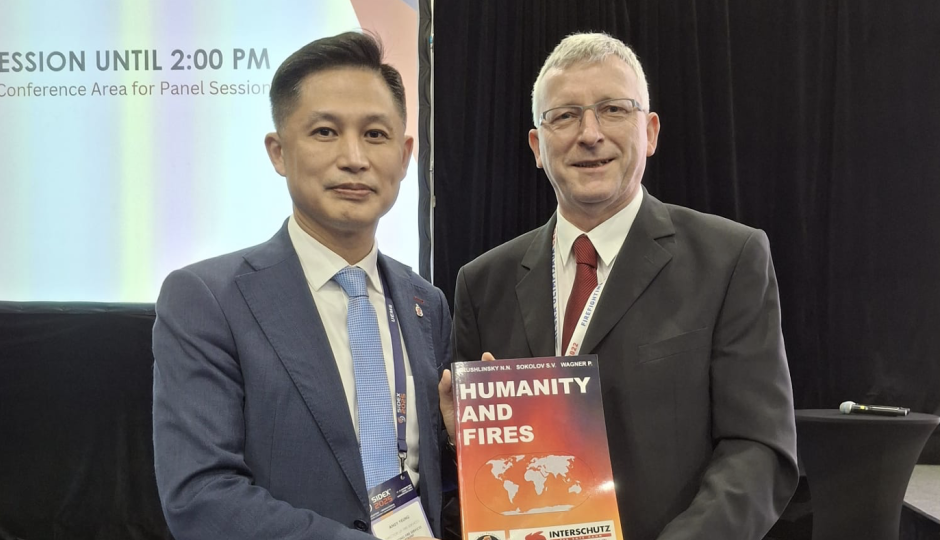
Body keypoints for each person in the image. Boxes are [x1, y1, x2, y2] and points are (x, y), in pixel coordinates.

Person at [447, 32, 798, 540]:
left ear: (650, 132)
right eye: (564, 115)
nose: (589, 133)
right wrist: (462, 438)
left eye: (613, 109)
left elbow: (760, 450)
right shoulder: (482, 283)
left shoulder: (730, 258)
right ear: (537, 147)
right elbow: (472, 479)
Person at [152, 32, 450, 540]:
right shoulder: (207, 299)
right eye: (325, 132)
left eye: (376, 134)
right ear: (279, 152)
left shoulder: (428, 303)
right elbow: (201, 497)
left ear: (404, 156)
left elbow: (427, 480)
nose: (354, 157)